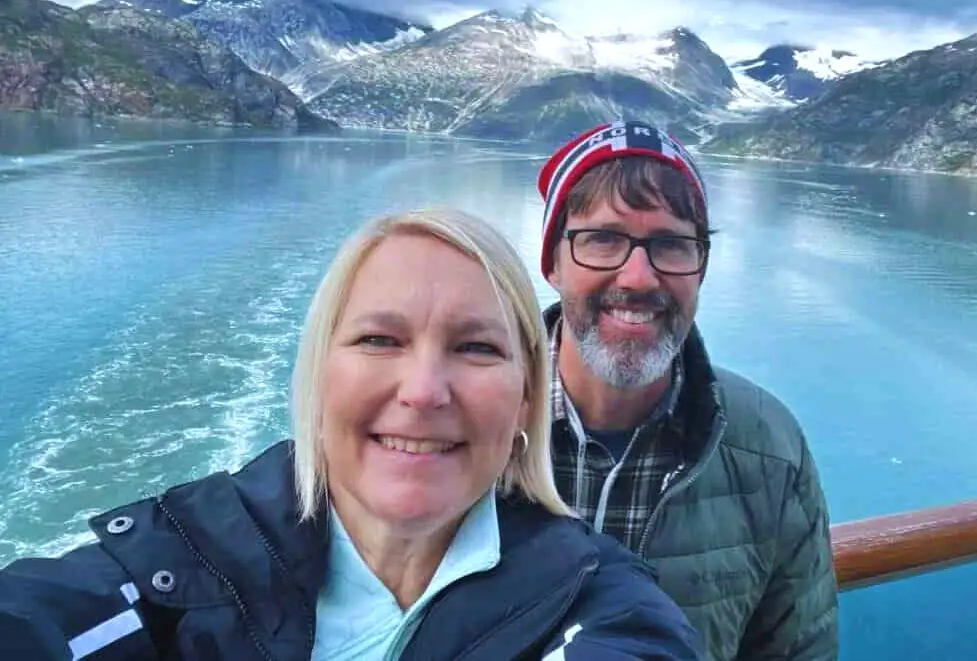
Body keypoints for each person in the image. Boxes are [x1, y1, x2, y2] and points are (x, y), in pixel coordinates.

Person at [0, 207, 704, 661]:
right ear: (318, 375)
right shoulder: (168, 563)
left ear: (525, 397)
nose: (424, 390)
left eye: (477, 348)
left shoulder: (596, 604)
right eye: (378, 338)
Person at [535, 120, 839, 661]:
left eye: (672, 245)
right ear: (552, 263)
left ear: (700, 269)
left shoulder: (767, 445)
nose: (638, 277)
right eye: (602, 239)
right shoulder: (465, 415)